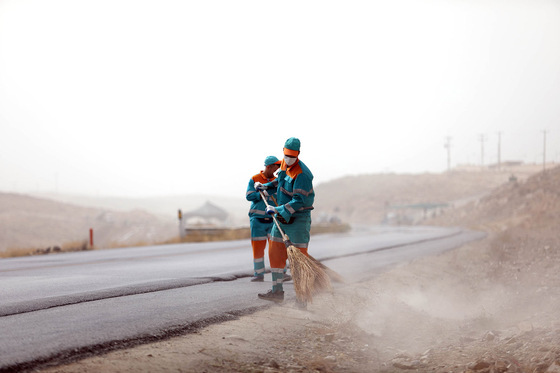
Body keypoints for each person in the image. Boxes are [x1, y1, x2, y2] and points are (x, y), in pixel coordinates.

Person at [254, 137, 315, 303]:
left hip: (298, 220)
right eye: (287, 155)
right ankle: (277, 292)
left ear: (298, 154)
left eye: (292, 156)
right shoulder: (283, 164)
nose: (288, 159)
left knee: (299, 262)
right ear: (283, 151)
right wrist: (265, 186)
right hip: (280, 219)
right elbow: (279, 181)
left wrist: (277, 209)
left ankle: (302, 299)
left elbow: (299, 201)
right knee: (275, 254)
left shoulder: (303, 174)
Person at [246, 155, 282, 282]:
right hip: (257, 220)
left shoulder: (277, 181)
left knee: (276, 248)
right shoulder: (255, 179)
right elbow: (249, 196)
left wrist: (268, 191)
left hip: (272, 220)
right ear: (268, 166)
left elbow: (280, 197)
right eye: (276, 166)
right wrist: (260, 194)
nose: (277, 169)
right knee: (258, 248)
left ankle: (281, 273)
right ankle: (259, 273)